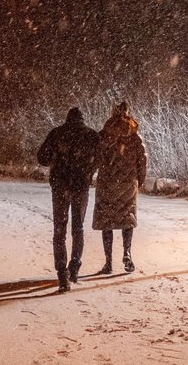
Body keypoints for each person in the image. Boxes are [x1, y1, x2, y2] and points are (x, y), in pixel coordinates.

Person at [36, 107, 100, 291]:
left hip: (60, 186)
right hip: (80, 186)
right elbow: (100, 159)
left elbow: (42, 158)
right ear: (82, 119)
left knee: (59, 229)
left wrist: (57, 158)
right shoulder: (91, 136)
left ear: (67, 119)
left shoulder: (57, 134)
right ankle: (75, 266)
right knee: (78, 228)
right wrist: (88, 170)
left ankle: (62, 272)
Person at [92, 100, 148, 274]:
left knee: (106, 221)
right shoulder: (134, 136)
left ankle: (108, 262)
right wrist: (140, 180)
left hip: (106, 183)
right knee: (127, 218)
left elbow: (95, 157)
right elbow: (142, 160)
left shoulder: (104, 135)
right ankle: (127, 253)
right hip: (128, 183)